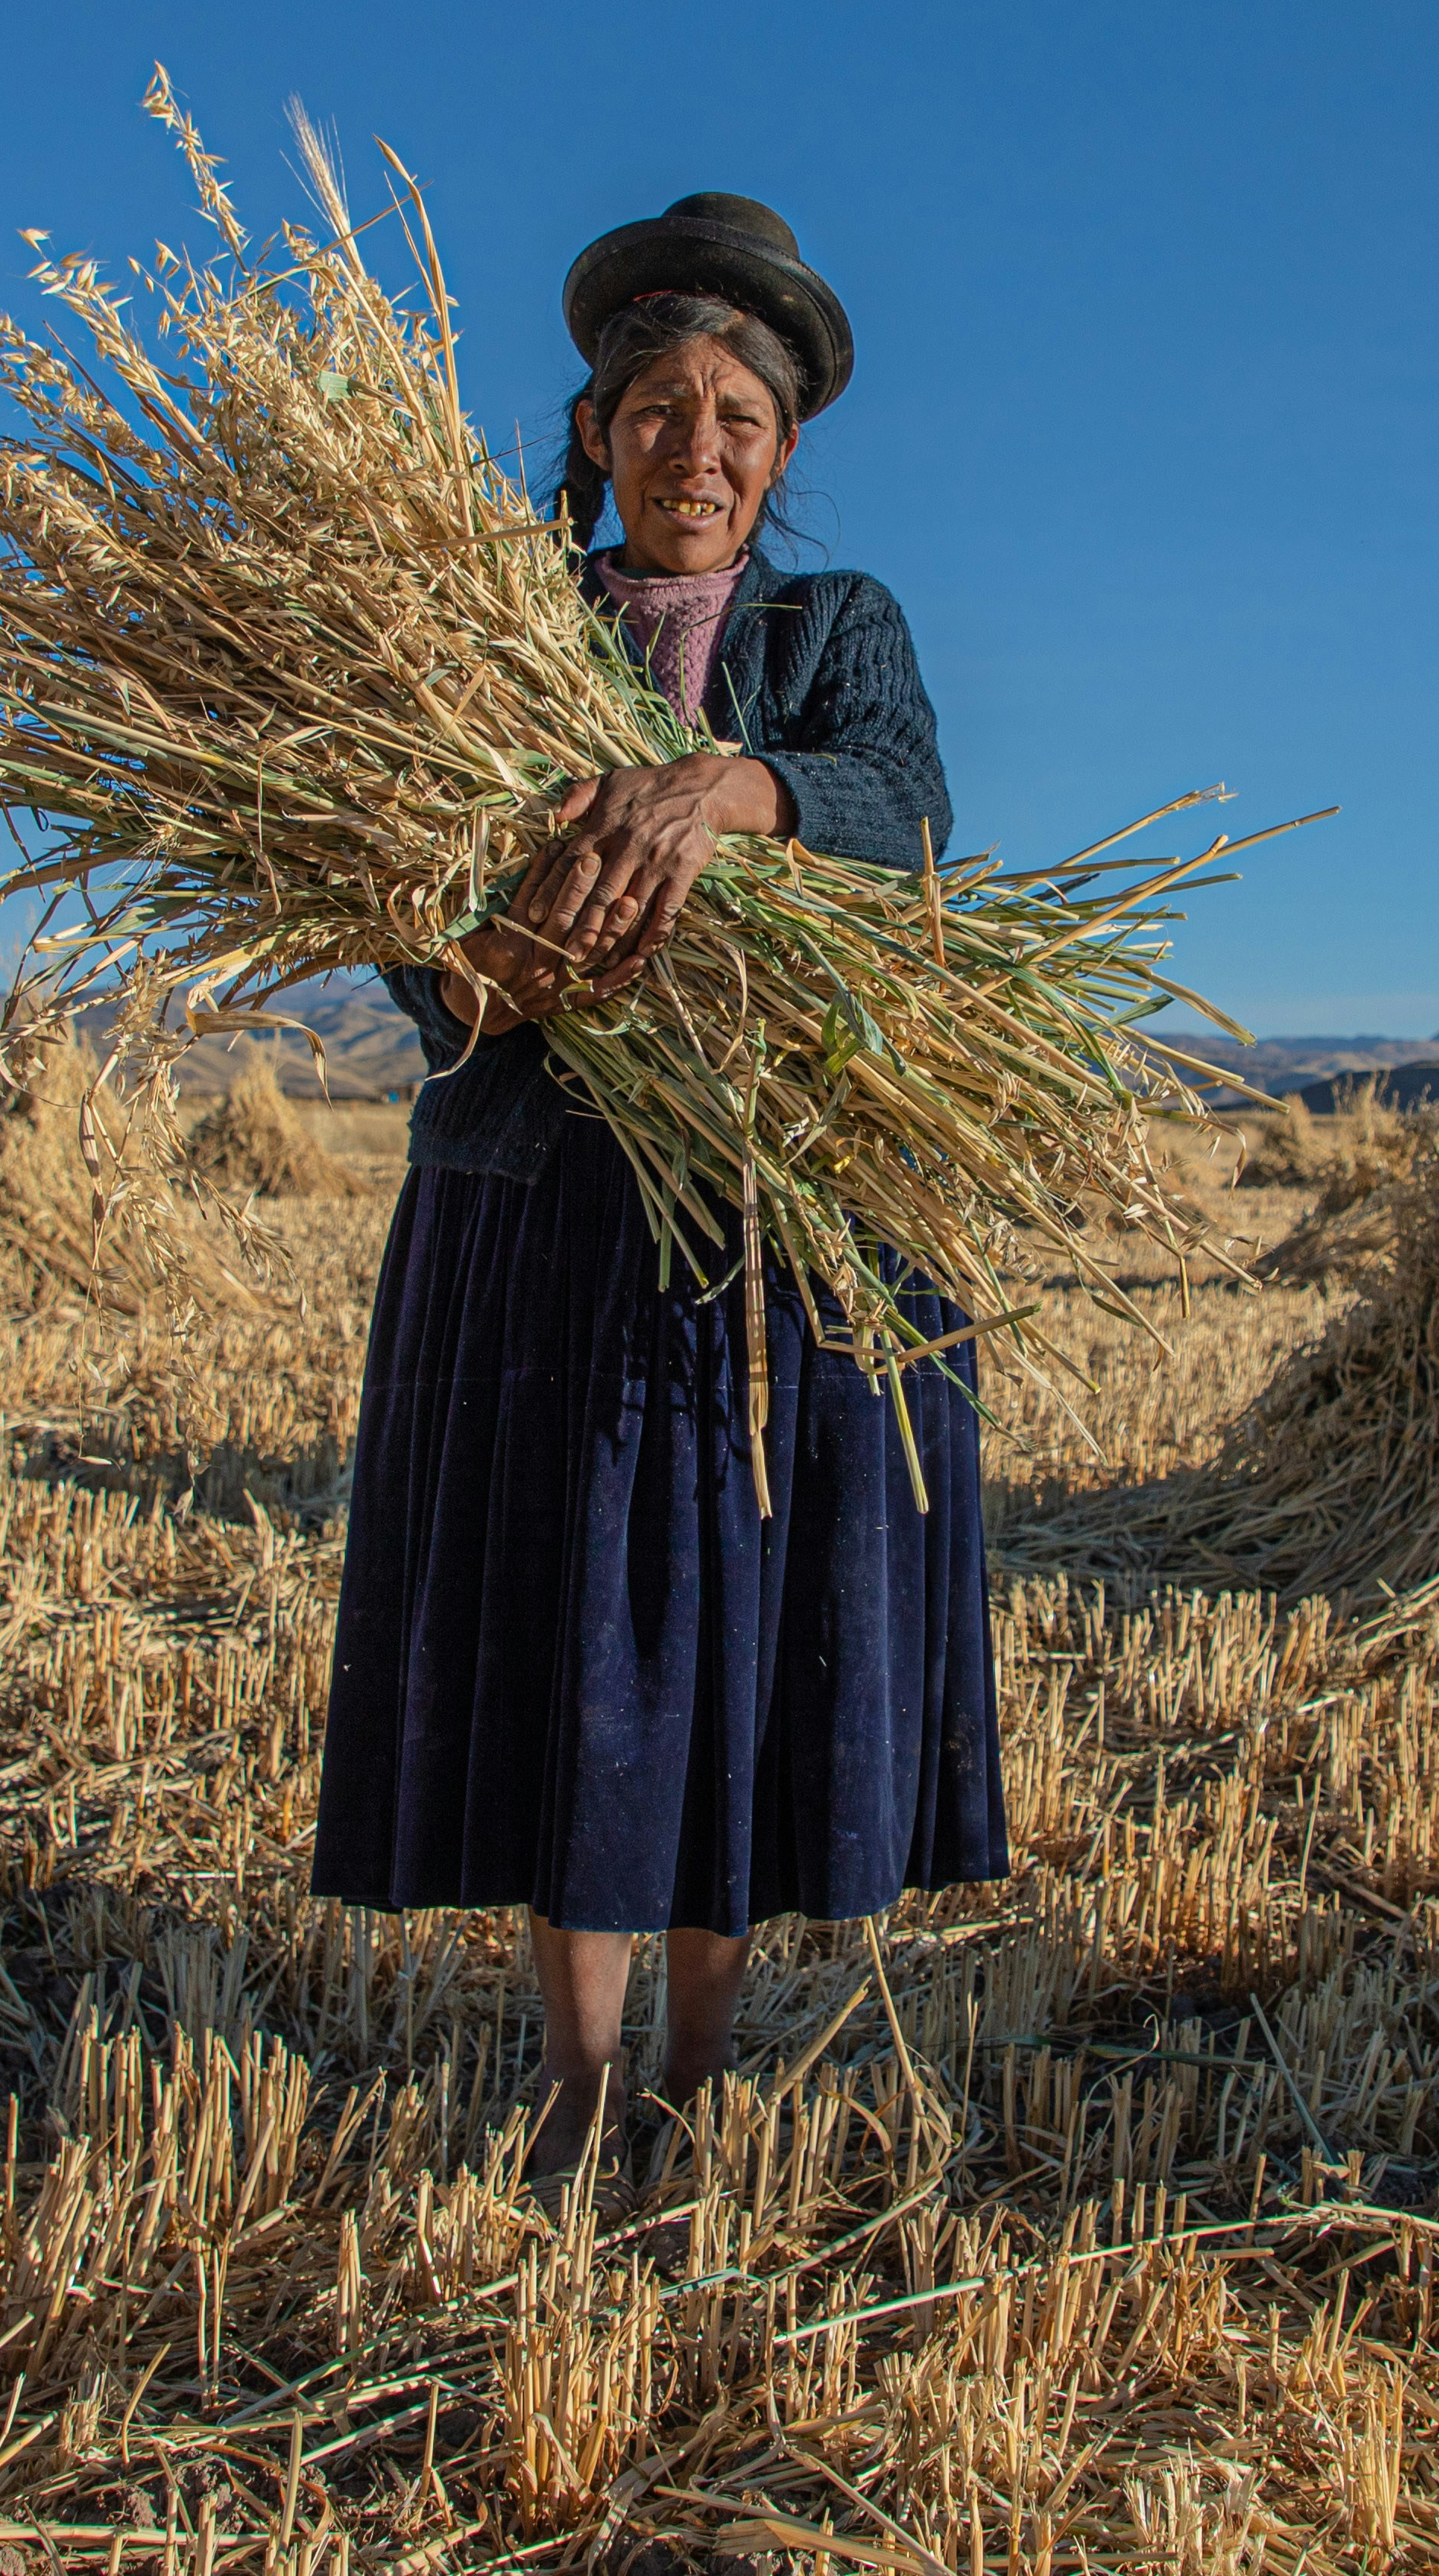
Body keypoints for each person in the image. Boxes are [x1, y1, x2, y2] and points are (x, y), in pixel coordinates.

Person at [310, 191, 1006, 2171]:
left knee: (734, 1632)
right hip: (543, 1204)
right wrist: (477, 978)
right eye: (664, 406)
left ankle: (702, 2079)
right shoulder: (498, 634)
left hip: (783, 1214)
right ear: (601, 424)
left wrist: (734, 787)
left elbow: (907, 807)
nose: (701, 448)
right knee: (572, 1631)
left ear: (781, 458)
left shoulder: (828, 631)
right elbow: (403, 901)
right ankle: (575, 2076)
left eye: (743, 421)